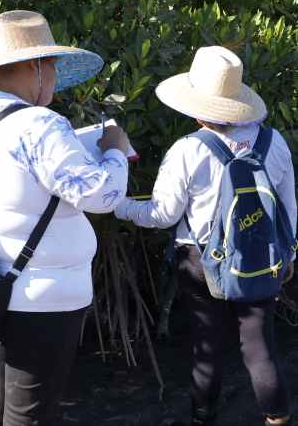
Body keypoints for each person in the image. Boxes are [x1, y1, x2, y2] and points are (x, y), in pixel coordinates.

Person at [0, 10, 130, 425]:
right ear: (35, 65)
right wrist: (116, 150)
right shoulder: (39, 124)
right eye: (52, 66)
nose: (54, 77)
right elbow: (101, 194)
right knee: (30, 415)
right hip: (43, 300)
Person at [114, 46, 295, 425]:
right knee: (261, 346)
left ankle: (202, 418)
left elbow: (162, 215)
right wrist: (289, 255)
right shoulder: (273, 142)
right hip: (260, 257)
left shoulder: (188, 150)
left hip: (200, 261)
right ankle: (277, 419)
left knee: (206, 347)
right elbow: (289, 208)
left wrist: (117, 204)